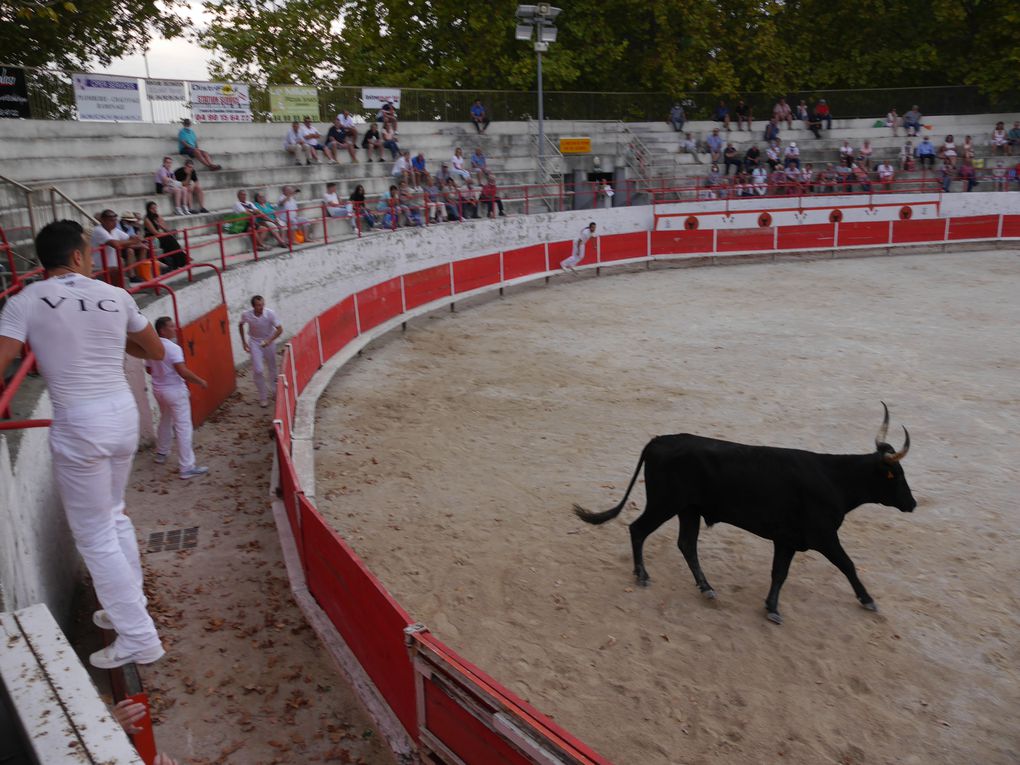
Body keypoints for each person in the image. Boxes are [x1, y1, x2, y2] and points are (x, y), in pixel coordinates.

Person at [0, 220, 166, 669]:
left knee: (94, 534)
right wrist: (110, 340)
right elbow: (153, 351)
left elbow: (3, 359)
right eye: (89, 255)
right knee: (113, 517)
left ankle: (139, 635)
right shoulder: (115, 295)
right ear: (77, 256)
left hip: (79, 421)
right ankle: (127, 609)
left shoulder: (25, 300)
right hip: (121, 413)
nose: (91, 261)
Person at [148, 316, 209, 479]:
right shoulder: (173, 348)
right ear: (162, 330)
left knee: (165, 420)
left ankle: (161, 453)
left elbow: (149, 369)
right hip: (174, 390)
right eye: (171, 326)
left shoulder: (151, 346)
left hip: (159, 390)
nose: (174, 329)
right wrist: (200, 381)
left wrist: (161, 374)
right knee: (183, 427)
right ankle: (187, 466)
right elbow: (182, 371)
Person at [238, 295, 282, 408]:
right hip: (254, 342)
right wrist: (244, 342)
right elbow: (240, 325)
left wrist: (269, 340)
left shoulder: (270, 313)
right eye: (258, 305)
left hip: (269, 340)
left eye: (262, 304)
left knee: (272, 367)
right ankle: (263, 397)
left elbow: (280, 329)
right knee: (258, 370)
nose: (261, 307)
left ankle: (274, 390)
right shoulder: (246, 315)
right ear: (253, 306)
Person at [92, 209, 144, 285]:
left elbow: (129, 238)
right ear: (103, 221)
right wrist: (133, 241)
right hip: (100, 267)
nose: (114, 223)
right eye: (111, 220)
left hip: (113, 266)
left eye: (115, 220)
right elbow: (115, 244)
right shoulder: (98, 230)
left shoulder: (115, 230)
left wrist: (136, 239)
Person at [144, 201, 187, 271]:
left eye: (155, 208)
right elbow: (154, 232)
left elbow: (166, 229)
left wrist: (161, 225)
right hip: (151, 237)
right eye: (152, 208)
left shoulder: (158, 216)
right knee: (168, 238)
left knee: (170, 238)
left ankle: (180, 260)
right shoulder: (147, 219)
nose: (155, 210)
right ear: (148, 209)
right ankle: (181, 260)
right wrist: (165, 233)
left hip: (160, 235)